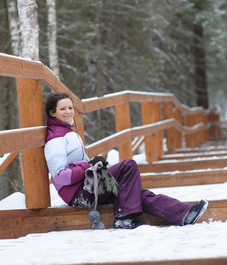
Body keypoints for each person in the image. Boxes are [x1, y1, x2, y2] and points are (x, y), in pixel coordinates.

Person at [44, 92, 208, 229]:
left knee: (134, 194)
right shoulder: (55, 140)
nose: (68, 112)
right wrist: (88, 164)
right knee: (128, 166)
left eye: (70, 107)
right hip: (78, 194)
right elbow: (60, 176)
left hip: (88, 185)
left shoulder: (68, 133)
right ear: (52, 113)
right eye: (62, 109)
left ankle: (185, 214)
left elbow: (82, 164)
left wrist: (94, 164)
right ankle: (123, 218)